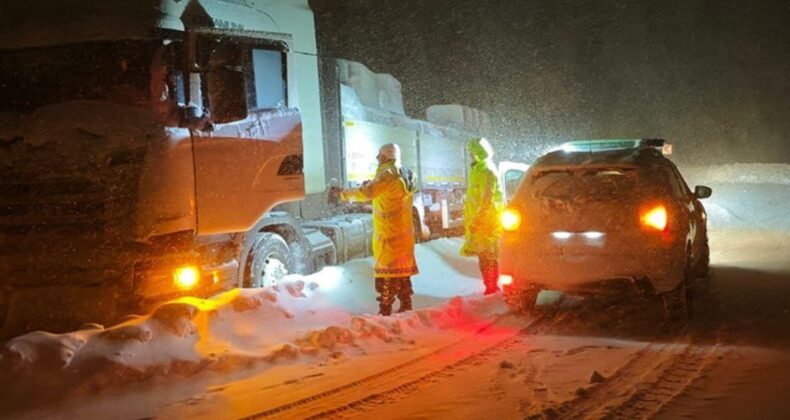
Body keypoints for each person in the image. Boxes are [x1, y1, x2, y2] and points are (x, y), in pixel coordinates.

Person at [340, 144, 418, 315]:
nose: (377, 158)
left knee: (387, 274)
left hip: (389, 232)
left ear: (386, 157)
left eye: (380, 155)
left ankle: (385, 310)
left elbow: (367, 193)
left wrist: (343, 194)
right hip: (403, 232)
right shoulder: (404, 173)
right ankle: (406, 304)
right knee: (402, 271)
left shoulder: (387, 175)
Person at [461, 138, 505, 295]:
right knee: (484, 255)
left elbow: (487, 199)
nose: (470, 156)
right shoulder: (478, 170)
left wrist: (478, 220)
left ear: (478, 153)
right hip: (481, 221)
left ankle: (492, 287)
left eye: (471, 153)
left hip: (487, 222)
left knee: (489, 255)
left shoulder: (487, 171)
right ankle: (489, 285)